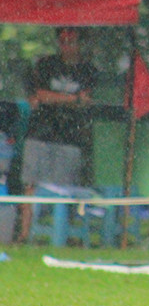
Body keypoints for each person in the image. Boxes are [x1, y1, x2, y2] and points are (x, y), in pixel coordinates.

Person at [16, 27, 97, 242]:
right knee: (30, 184)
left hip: (70, 138)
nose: (67, 45)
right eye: (63, 41)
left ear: (80, 43)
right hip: (40, 134)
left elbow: (86, 99)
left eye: (71, 41)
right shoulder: (46, 65)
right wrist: (72, 99)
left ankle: (60, 235)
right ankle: (25, 234)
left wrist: (56, 98)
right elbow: (40, 95)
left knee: (64, 190)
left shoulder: (88, 70)